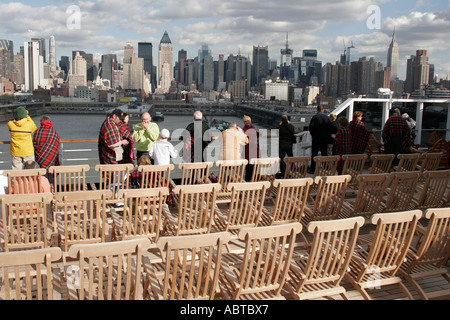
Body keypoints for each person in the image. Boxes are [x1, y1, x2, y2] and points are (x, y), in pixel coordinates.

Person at [32, 115, 60, 184]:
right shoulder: (53, 131)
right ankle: (52, 188)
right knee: (51, 172)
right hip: (51, 156)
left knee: (44, 172)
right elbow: (56, 142)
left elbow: (34, 143)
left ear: (41, 122)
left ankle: (45, 187)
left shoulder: (38, 131)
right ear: (49, 121)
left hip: (41, 157)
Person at [308, 105, 332, 173]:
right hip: (324, 138)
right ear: (323, 110)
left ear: (317, 110)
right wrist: (327, 135)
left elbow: (311, 128)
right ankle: (326, 168)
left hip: (316, 138)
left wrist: (314, 135)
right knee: (324, 153)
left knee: (314, 153)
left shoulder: (315, 117)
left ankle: (313, 169)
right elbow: (331, 128)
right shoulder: (327, 118)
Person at [242, 115, 260, 181]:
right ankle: (248, 180)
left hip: (254, 150)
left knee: (254, 167)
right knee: (249, 167)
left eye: (248, 121)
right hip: (249, 151)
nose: (248, 122)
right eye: (246, 121)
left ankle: (252, 180)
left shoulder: (252, 128)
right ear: (244, 122)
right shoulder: (244, 130)